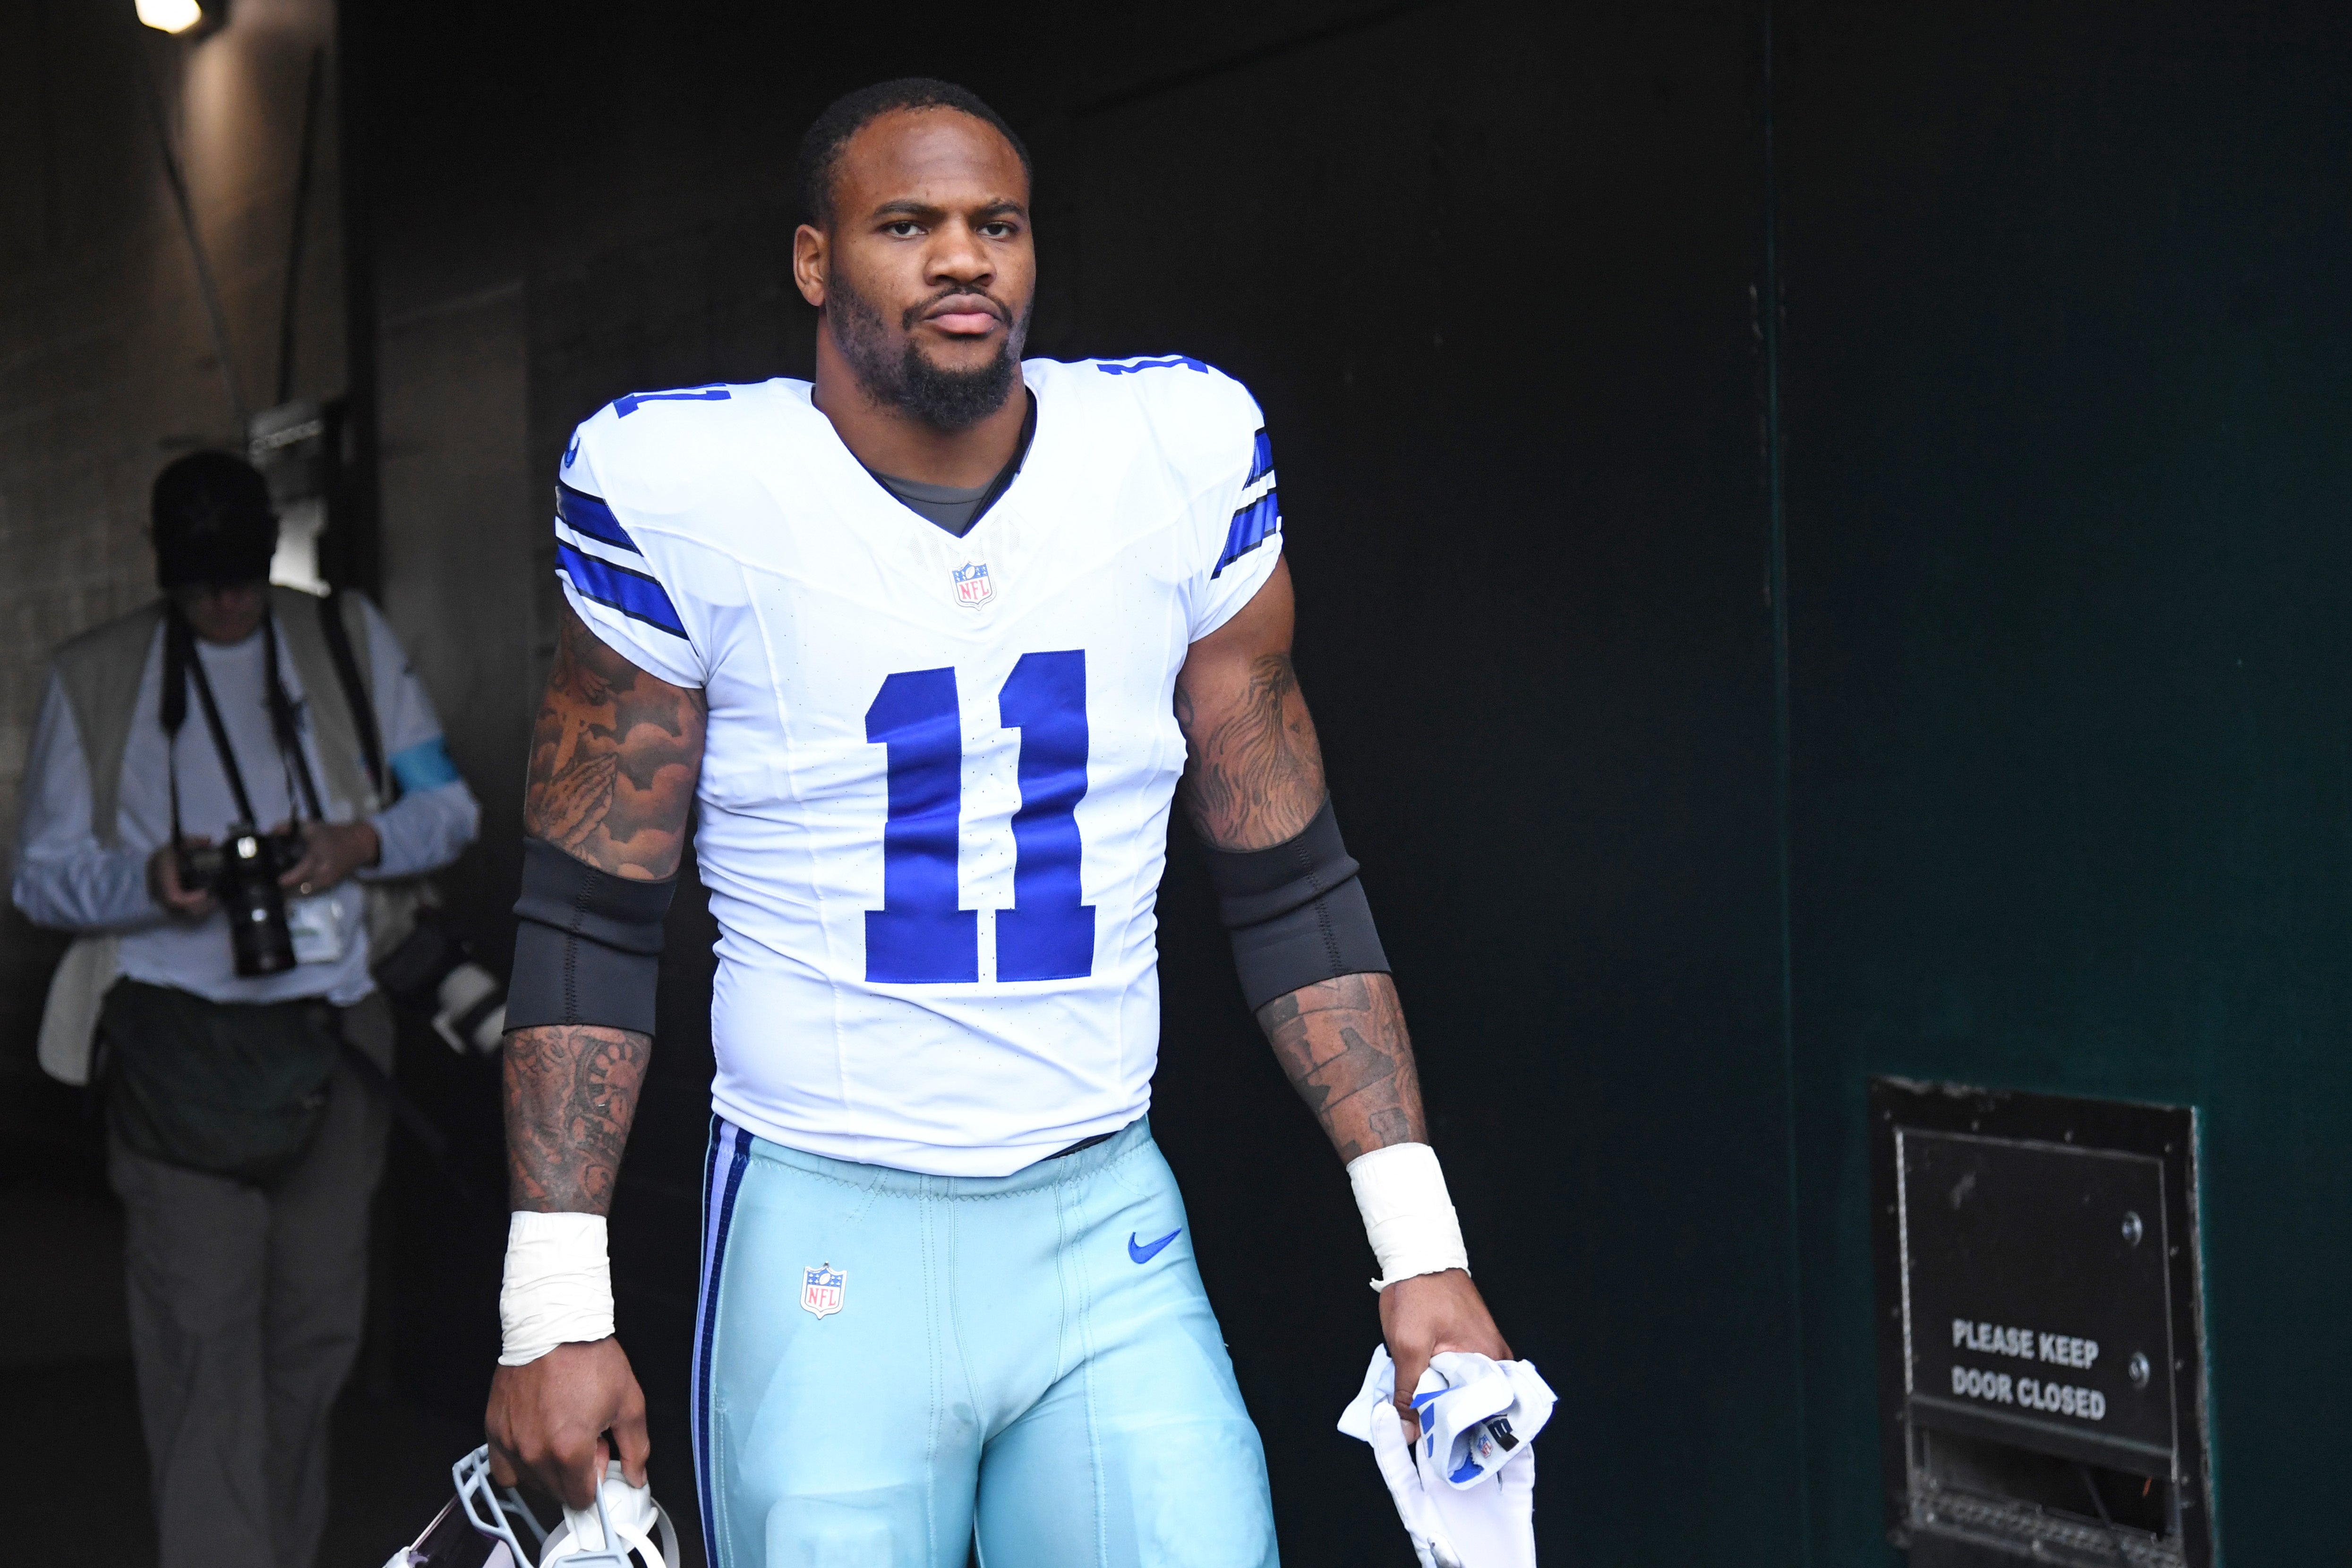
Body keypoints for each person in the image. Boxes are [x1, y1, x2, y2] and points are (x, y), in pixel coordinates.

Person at [484, 77, 1509, 1564]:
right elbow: (591, 908)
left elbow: (1290, 879)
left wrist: (1420, 1251)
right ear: (813, 262)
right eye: (907, 225)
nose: (963, 257)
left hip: (1102, 1216)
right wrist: (553, 1308)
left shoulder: (1173, 453)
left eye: (997, 225)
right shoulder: (687, 489)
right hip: (821, 1222)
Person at [12, 451, 480, 1568]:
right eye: (202, 582)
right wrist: (151, 879)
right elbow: (38, 877)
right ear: (163, 567)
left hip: (332, 1037)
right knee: (202, 1340)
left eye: (241, 578)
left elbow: (451, 811)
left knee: (314, 1334)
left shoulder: (342, 637)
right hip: (175, 1050)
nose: (227, 604)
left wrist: (355, 843)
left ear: (270, 553)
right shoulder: (97, 675)